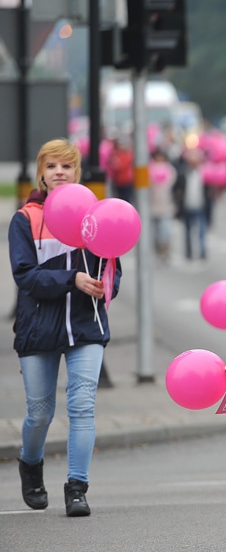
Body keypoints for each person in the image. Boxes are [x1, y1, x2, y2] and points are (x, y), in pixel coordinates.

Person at [9, 139, 122, 517]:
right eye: (52, 166)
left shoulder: (98, 215)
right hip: (38, 327)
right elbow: (25, 277)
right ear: (42, 172)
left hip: (85, 326)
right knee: (39, 412)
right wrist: (71, 278)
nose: (60, 172)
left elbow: (111, 270)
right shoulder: (25, 219)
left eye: (67, 167)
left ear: (78, 173)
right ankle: (30, 462)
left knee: (82, 406)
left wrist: (106, 288)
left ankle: (77, 487)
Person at [172, 148, 210, 261]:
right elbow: (177, 189)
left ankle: (202, 250)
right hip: (187, 206)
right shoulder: (183, 173)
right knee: (188, 231)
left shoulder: (204, 173)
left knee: (202, 230)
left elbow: (208, 191)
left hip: (200, 206)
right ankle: (189, 251)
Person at [148, 149, 176, 264]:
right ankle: (157, 252)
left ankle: (165, 252)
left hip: (166, 206)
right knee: (154, 234)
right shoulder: (149, 170)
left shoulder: (170, 171)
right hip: (152, 206)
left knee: (165, 232)